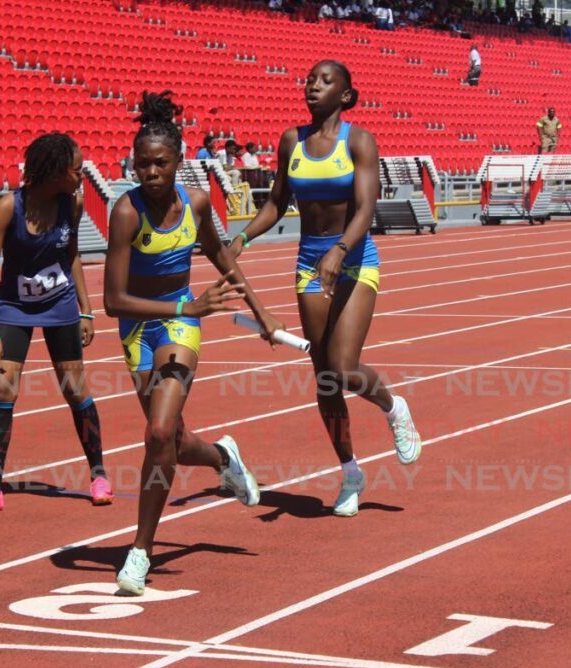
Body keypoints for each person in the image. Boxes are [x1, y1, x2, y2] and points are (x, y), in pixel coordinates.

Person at [105, 91, 284, 595]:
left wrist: (262, 312)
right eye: (142, 164)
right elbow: (114, 301)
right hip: (141, 325)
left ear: (180, 162)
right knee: (173, 442)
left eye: (160, 163)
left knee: (158, 433)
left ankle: (139, 550)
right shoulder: (126, 213)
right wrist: (186, 307)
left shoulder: (197, 203)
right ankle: (224, 459)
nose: (150, 172)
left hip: (181, 325)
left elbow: (221, 257)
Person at [229, 60, 421, 518]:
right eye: (310, 79)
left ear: (346, 96)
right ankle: (350, 472)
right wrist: (241, 237)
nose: (313, 85)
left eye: (325, 81)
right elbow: (277, 202)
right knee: (326, 380)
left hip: (354, 260)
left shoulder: (358, 141)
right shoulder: (290, 141)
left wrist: (339, 251)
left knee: (345, 366)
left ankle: (394, 407)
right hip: (308, 266)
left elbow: (365, 208)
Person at [0, 133, 113, 516]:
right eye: (76, 169)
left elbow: (73, 255)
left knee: (74, 389)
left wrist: (86, 309)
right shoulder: (7, 208)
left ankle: (98, 475)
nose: (82, 175)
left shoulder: (74, 203)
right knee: (4, 389)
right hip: (15, 308)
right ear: (54, 172)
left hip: (61, 305)